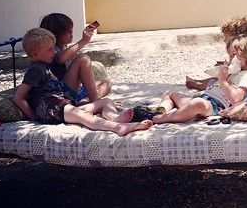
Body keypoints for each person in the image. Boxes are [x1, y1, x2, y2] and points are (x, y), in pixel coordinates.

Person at [12, 28, 152, 136]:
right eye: (50, 49)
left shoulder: (45, 64)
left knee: (105, 101)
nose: (54, 52)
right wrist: (34, 117)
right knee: (83, 116)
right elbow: (18, 97)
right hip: (50, 106)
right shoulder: (35, 70)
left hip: (61, 106)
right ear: (35, 53)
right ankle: (119, 128)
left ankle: (115, 118)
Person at [152, 34, 247, 124]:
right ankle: (161, 110)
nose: (231, 59)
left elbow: (236, 100)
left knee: (197, 103)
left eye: (234, 55)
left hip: (215, 106)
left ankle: (164, 118)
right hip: (204, 98)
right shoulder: (233, 72)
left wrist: (223, 80)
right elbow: (215, 87)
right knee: (170, 93)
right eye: (229, 55)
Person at [40, 12, 111, 104]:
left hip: (73, 90)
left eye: (71, 30)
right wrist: (83, 41)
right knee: (83, 59)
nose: (71, 33)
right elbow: (60, 59)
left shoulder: (66, 48)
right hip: (61, 92)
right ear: (55, 35)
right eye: (67, 31)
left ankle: (85, 100)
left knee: (106, 82)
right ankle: (95, 100)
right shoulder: (52, 50)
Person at [185, 16, 247, 91]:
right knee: (215, 78)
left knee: (215, 81)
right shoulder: (245, 50)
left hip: (234, 83)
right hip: (232, 78)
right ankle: (198, 82)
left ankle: (198, 85)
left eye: (226, 38)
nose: (224, 40)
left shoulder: (244, 58)